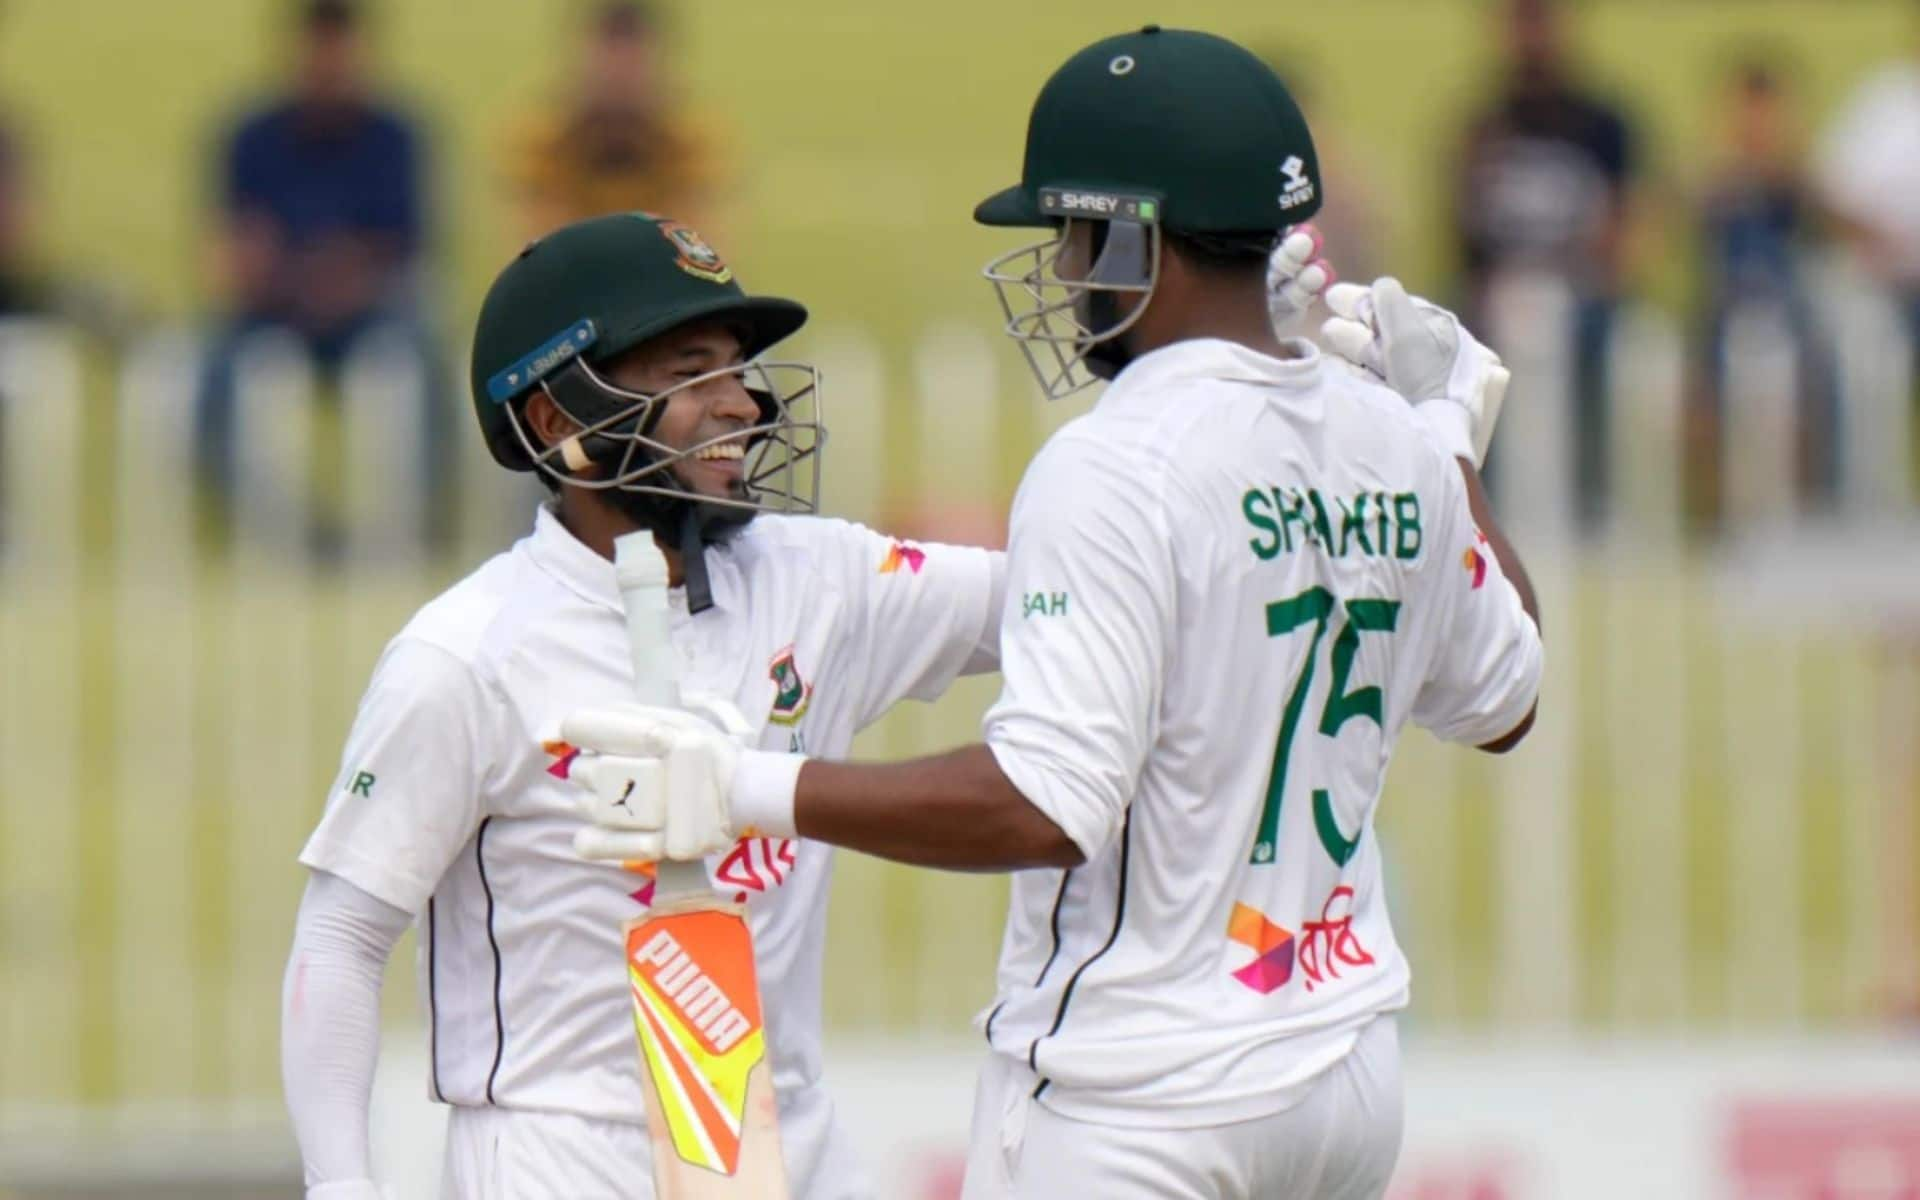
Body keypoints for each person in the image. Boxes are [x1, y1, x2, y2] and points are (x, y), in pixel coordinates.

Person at [557, 27, 1543, 1200]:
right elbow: (1508, 698)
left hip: (1146, 1095)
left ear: (1135, 238)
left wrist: (739, 787)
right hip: (1344, 1078)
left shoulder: (1115, 460)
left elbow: (1047, 802)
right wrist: (1446, 438)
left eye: (1073, 235)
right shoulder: (1392, 439)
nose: (1066, 270)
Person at [278, 212, 1015, 1198]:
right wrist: (340, 1188)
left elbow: (1066, 605)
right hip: (561, 1161)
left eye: (736, 369)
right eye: (687, 373)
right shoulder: (467, 654)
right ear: (555, 420)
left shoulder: (818, 578)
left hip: (791, 1153)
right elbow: (342, 937)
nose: (739, 406)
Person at [196, 0, 447, 529]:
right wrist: (307, 274)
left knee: (426, 354)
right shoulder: (252, 137)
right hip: (276, 306)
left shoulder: (394, 137)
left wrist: (334, 273)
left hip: (371, 307)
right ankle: (274, 527)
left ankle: (411, 523)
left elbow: (407, 248)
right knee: (212, 370)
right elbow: (233, 250)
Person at [1453, 0, 1638, 532]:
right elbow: (1464, 232)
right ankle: (1485, 498)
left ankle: (1591, 493)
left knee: (1592, 333)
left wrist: (1585, 274)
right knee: (1459, 341)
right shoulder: (1483, 123)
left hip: (1582, 288)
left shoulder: (1604, 124)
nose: (1531, 34)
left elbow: (1627, 223)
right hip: (1499, 290)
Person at [1697, 56, 1836, 518]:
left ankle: (1804, 503)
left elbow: (1830, 229)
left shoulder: (1797, 184)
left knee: (1813, 380)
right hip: (1728, 309)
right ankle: (1722, 511)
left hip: (1789, 311)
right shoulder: (1718, 184)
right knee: (1706, 383)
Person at [504, 1, 727, 244]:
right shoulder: (544, 144)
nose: (618, 75)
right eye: (609, 57)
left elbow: (702, 252)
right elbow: (535, 252)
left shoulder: (688, 147)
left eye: (631, 60)